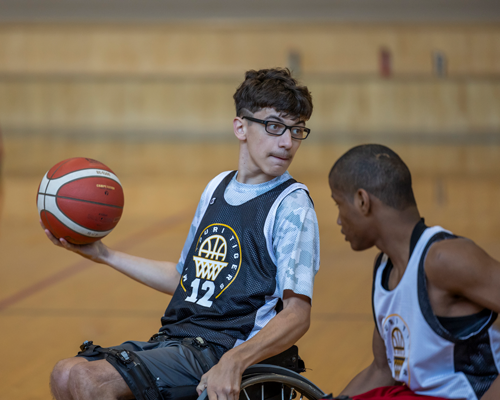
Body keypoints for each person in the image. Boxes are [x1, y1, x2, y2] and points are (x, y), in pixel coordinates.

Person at [43, 68, 320, 400]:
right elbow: (183, 278)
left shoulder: (291, 205)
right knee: (64, 373)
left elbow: (296, 315)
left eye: (297, 130)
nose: (287, 142)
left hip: (225, 349)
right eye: (275, 127)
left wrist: (234, 361)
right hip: (179, 340)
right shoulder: (216, 188)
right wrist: (104, 254)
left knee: (91, 380)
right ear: (240, 127)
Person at [327, 144, 500, 400]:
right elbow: (381, 369)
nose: (339, 220)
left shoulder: (444, 258)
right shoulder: (385, 268)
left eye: (338, 204)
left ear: (363, 201)